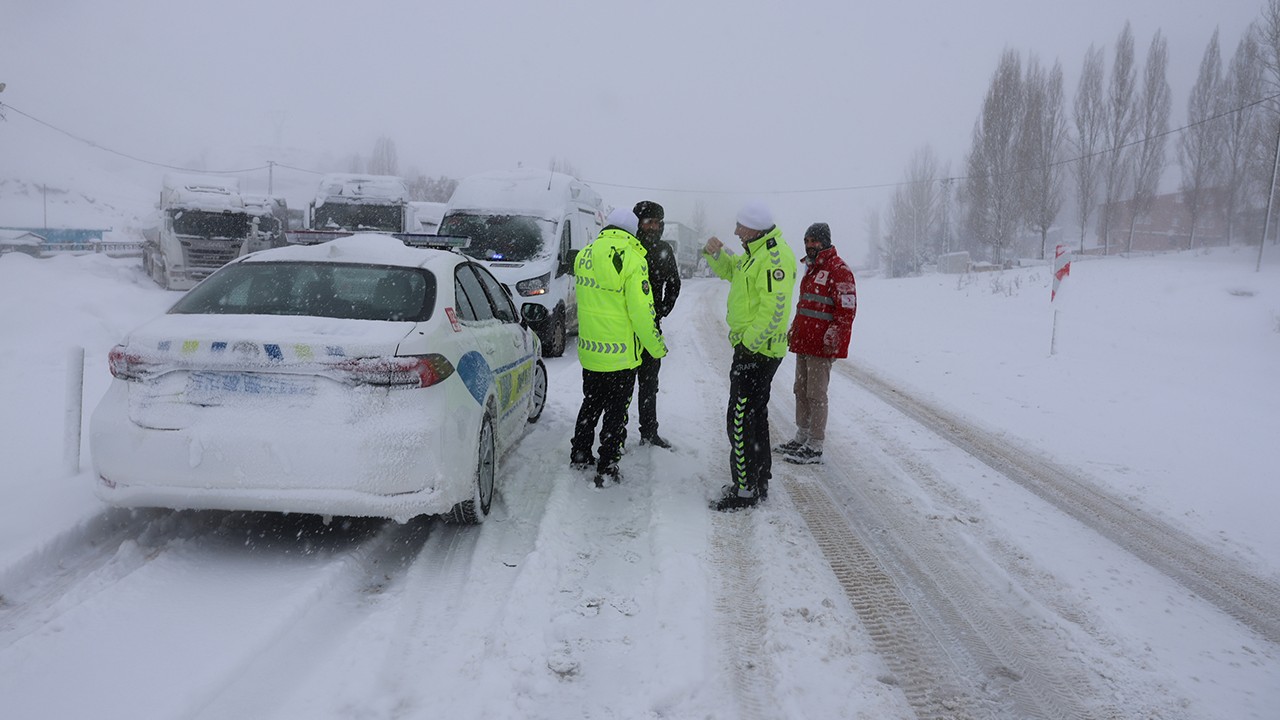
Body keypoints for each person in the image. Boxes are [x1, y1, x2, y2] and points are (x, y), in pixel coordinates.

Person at [702, 201, 797, 511]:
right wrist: (717, 254)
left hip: (758, 353)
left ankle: (745, 490)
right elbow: (734, 272)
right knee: (755, 415)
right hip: (755, 350)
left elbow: (776, 312)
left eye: (740, 226)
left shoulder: (773, 257)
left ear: (754, 227)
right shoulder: (755, 253)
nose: (735, 231)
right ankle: (759, 476)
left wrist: (749, 344)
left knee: (740, 418)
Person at [569, 207, 668, 487]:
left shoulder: (585, 255)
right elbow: (642, 313)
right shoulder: (633, 259)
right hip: (620, 355)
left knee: (590, 404)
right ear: (631, 230)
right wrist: (656, 347)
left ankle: (580, 453)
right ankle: (608, 464)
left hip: (590, 351)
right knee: (616, 412)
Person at [776, 222, 857, 465]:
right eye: (807, 240)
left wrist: (834, 333)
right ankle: (802, 436)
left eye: (815, 240)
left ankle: (815, 444)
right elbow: (807, 303)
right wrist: (795, 327)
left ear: (825, 241)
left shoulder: (839, 270)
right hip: (805, 341)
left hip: (822, 346)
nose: (810, 245)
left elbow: (847, 309)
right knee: (800, 390)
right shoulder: (811, 269)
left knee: (816, 394)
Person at [632, 200, 682, 449]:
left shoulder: (664, 250)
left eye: (658, 222)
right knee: (620, 386)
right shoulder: (628, 246)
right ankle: (615, 433)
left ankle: (649, 432)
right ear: (638, 222)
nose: (654, 226)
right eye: (649, 221)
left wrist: (661, 310)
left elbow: (674, 284)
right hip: (624, 329)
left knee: (649, 383)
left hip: (651, 328)